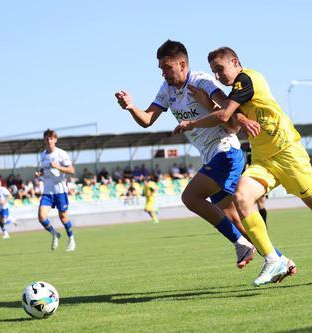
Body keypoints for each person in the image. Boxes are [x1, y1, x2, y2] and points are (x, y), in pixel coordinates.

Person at [174, 46, 312, 286]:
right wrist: (209, 105)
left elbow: (224, 116)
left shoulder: (247, 79)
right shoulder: (235, 92)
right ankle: (274, 260)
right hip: (263, 160)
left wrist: (191, 123)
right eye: (214, 72)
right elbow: (232, 123)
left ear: (235, 61)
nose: (218, 76)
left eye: (220, 69)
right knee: (241, 197)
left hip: (288, 155)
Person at [115, 40, 294, 271]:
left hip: (226, 151)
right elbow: (148, 120)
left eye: (167, 68)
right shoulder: (167, 90)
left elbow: (228, 110)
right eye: (160, 69)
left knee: (190, 197)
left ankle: (241, 245)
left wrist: (237, 118)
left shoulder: (201, 81)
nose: (163, 74)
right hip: (211, 157)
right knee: (235, 220)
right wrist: (130, 107)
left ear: (182, 64)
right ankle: (281, 260)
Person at [36, 129, 76, 251]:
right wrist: (40, 173)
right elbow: (44, 169)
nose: (49, 140)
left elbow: (72, 170)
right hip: (47, 191)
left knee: (63, 217)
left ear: (55, 139)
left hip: (60, 190)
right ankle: (55, 234)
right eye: (47, 138)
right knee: (41, 217)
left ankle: (71, 239)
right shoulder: (43, 155)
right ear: (44, 140)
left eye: (51, 138)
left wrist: (58, 166)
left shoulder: (61, 154)